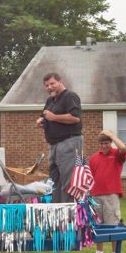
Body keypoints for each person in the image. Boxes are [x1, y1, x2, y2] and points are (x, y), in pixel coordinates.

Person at [36, 72, 82, 203]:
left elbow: (75, 118)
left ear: (60, 82)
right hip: (54, 144)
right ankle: (56, 211)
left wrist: (53, 117)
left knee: (68, 180)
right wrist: (42, 121)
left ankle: (68, 214)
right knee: (54, 180)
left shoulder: (70, 96)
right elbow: (46, 116)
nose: (49, 87)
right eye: (46, 85)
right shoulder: (50, 100)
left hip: (69, 142)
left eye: (52, 83)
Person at [85, 129, 126, 253]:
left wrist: (111, 135)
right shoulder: (94, 158)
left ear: (110, 143)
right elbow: (89, 177)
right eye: (102, 143)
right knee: (99, 227)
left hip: (111, 196)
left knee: (113, 226)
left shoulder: (116, 155)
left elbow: (123, 148)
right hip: (95, 196)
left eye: (107, 143)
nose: (104, 146)